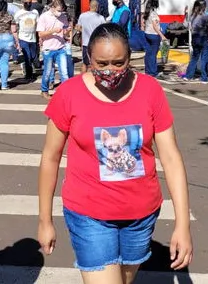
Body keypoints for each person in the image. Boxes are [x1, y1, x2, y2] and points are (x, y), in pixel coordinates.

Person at [37, 23, 193, 282]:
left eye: (118, 63)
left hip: (141, 216)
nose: (110, 70)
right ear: (89, 57)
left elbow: (171, 158)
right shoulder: (69, 94)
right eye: (102, 63)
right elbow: (50, 158)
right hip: (89, 215)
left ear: (130, 58)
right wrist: (44, 220)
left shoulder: (150, 90)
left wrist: (182, 225)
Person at [37, 0, 71, 100]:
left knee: (64, 72)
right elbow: (40, 34)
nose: (60, 13)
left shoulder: (63, 17)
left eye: (61, 11)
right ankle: (44, 91)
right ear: (52, 8)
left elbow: (65, 32)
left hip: (61, 48)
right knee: (47, 72)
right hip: (48, 49)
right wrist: (53, 31)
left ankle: (66, 93)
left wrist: (66, 32)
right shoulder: (44, 17)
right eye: (58, 10)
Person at [183, 0, 208, 83]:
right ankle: (204, 77)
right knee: (204, 58)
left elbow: (185, 25)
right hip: (204, 38)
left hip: (194, 38)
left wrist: (185, 14)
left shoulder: (192, 16)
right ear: (204, 7)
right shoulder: (206, 15)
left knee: (194, 58)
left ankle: (188, 76)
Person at [14, 0, 40, 79]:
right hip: (23, 38)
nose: (28, 4)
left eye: (30, 3)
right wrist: (16, 39)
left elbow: (38, 24)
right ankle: (29, 74)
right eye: (26, 3)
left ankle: (27, 67)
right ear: (23, 3)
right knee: (27, 56)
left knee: (33, 56)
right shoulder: (18, 13)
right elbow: (15, 25)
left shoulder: (35, 12)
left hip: (33, 37)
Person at [141, 0, 168, 78]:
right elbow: (155, 26)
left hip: (147, 33)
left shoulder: (147, 12)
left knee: (148, 53)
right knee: (153, 54)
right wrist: (162, 35)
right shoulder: (153, 13)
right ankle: (153, 72)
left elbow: (143, 22)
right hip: (154, 35)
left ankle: (148, 70)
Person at [76, 0, 104, 74]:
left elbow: (78, 27)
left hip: (86, 44)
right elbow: (103, 31)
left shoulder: (82, 16)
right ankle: (90, 80)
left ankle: (81, 81)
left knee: (85, 63)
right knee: (94, 64)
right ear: (97, 7)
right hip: (96, 44)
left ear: (89, 6)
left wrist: (84, 31)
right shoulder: (100, 18)